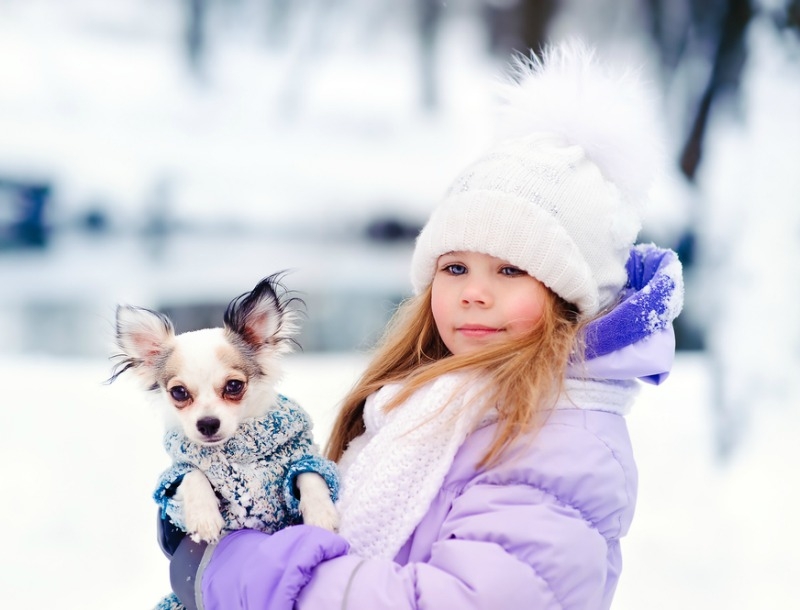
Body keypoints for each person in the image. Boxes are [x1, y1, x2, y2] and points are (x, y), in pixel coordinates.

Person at [162, 40, 684, 610]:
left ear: (569, 299)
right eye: (454, 266)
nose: (474, 293)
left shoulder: (561, 441)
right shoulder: (429, 401)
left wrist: (239, 571)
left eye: (512, 269)